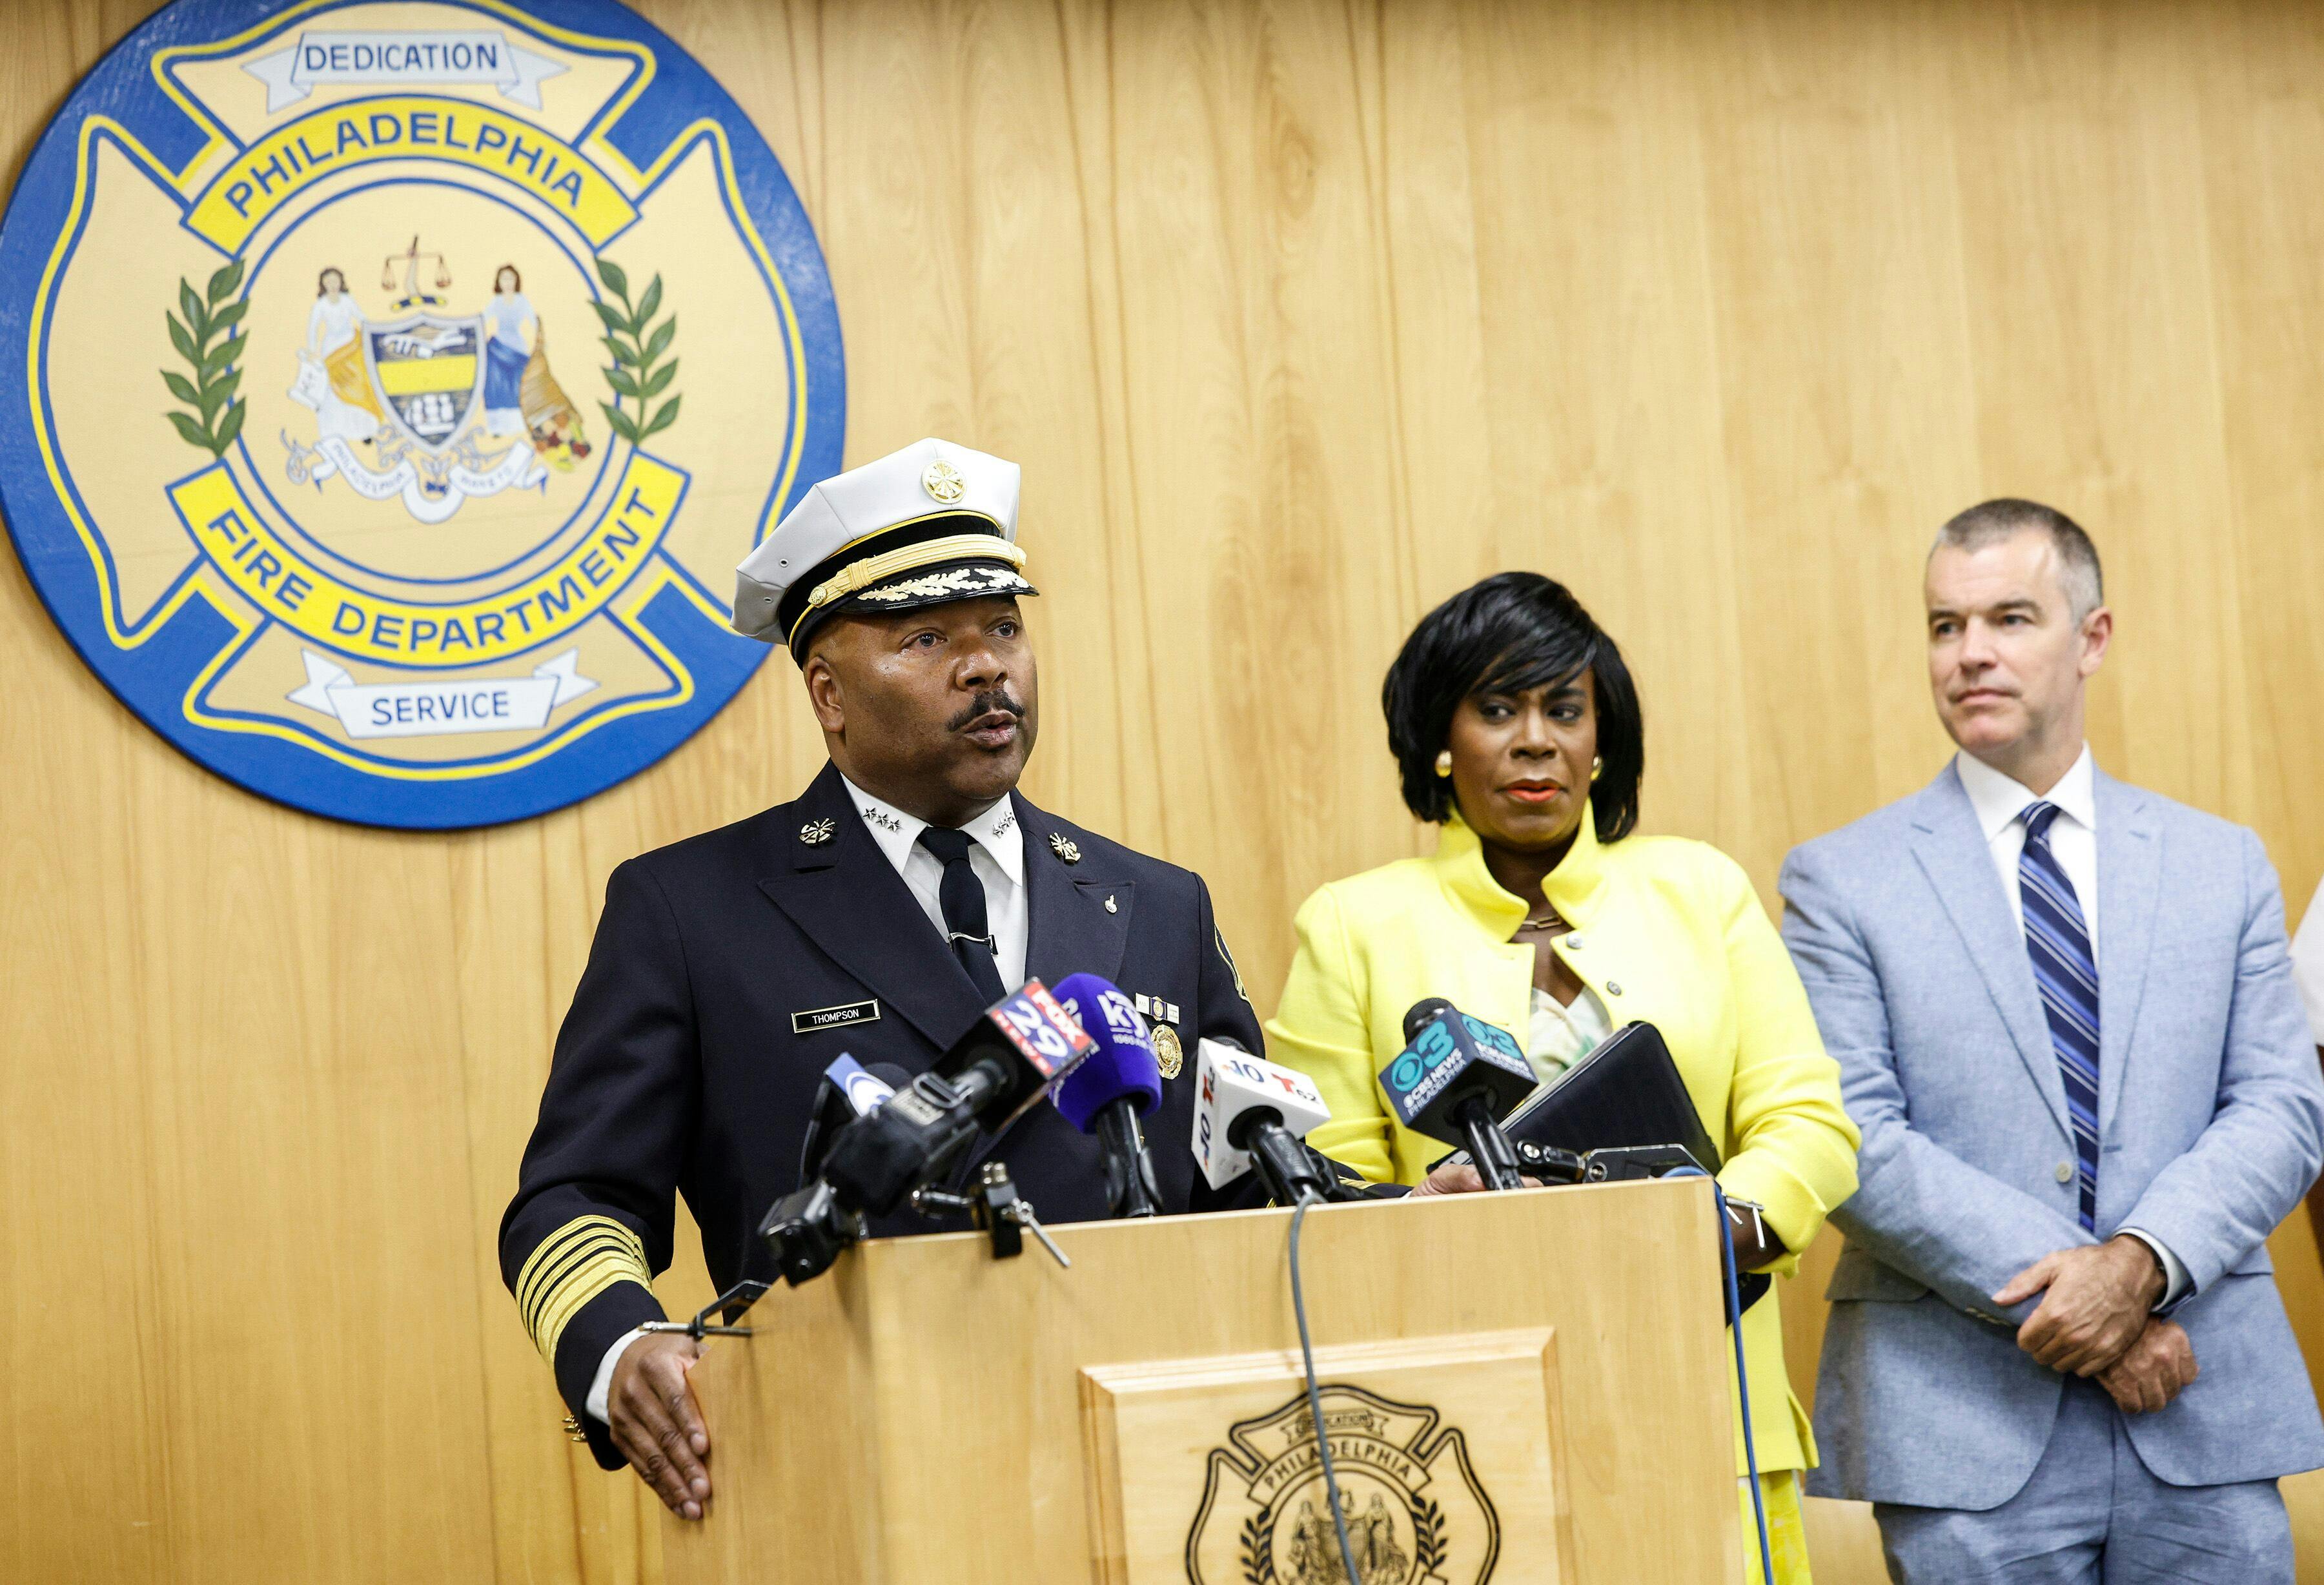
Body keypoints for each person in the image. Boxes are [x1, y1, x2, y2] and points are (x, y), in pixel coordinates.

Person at [500, 438, 1264, 1519]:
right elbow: (573, 1199)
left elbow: (1256, 1176)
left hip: (1154, 1472)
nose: (987, 665)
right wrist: (620, 1342)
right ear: (828, 693)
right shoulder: (691, 909)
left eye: (1004, 625)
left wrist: (1409, 1218)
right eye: (926, 638)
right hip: (852, 1477)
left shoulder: (1158, 902)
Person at [1265, 571, 1859, 1584]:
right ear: (1442, 740)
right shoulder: (1354, 925)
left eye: (1564, 709)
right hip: (1470, 1424)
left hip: (1716, 1405)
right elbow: (1320, 1182)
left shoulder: (1701, 889)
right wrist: (1426, 1211)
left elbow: (1808, 1124)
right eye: (1498, 709)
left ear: (1601, 740)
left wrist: (1698, 1229)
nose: (1535, 738)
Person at [1781, 499, 2324, 1581]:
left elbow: (2282, 1109)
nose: (1971, 653)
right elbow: (1854, 1138)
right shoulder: (1839, 880)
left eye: (2010, 618)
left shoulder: (2221, 864)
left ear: (2093, 638)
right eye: (1945, 626)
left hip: (2203, 1408)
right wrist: (2099, 1311)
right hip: (1962, 1425)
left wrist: (2141, 1268)